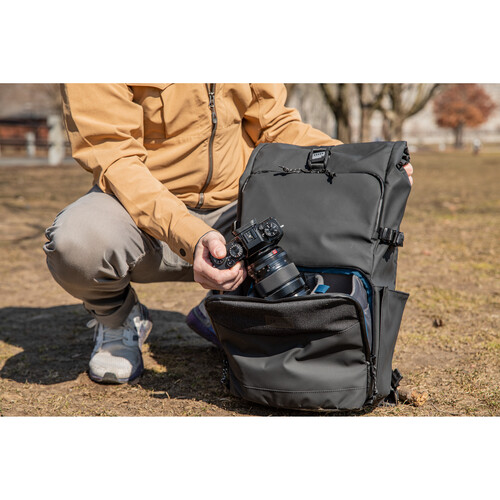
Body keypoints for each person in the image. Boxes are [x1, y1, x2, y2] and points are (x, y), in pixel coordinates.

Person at [44, 83, 413, 384]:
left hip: (237, 206)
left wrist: (364, 164)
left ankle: (232, 306)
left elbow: (274, 126)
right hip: (140, 211)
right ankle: (118, 320)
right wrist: (191, 234)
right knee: (77, 241)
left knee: (327, 204)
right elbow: (114, 157)